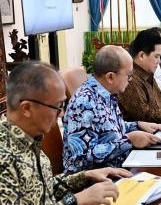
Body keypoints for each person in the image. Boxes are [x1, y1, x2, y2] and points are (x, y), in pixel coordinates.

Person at [0, 61, 133, 205]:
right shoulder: (4, 156)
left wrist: (85, 176)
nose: (62, 114)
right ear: (26, 108)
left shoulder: (30, 138)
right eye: (57, 106)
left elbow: (43, 188)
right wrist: (76, 200)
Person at [63, 45, 161, 174]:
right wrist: (128, 140)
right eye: (129, 75)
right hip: (98, 181)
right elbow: (81, 158)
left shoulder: (107, 93)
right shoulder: (84, 103)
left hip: (121, 166)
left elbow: (109, 129)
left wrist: (138, 125)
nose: (130, 80)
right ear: (110, 77)